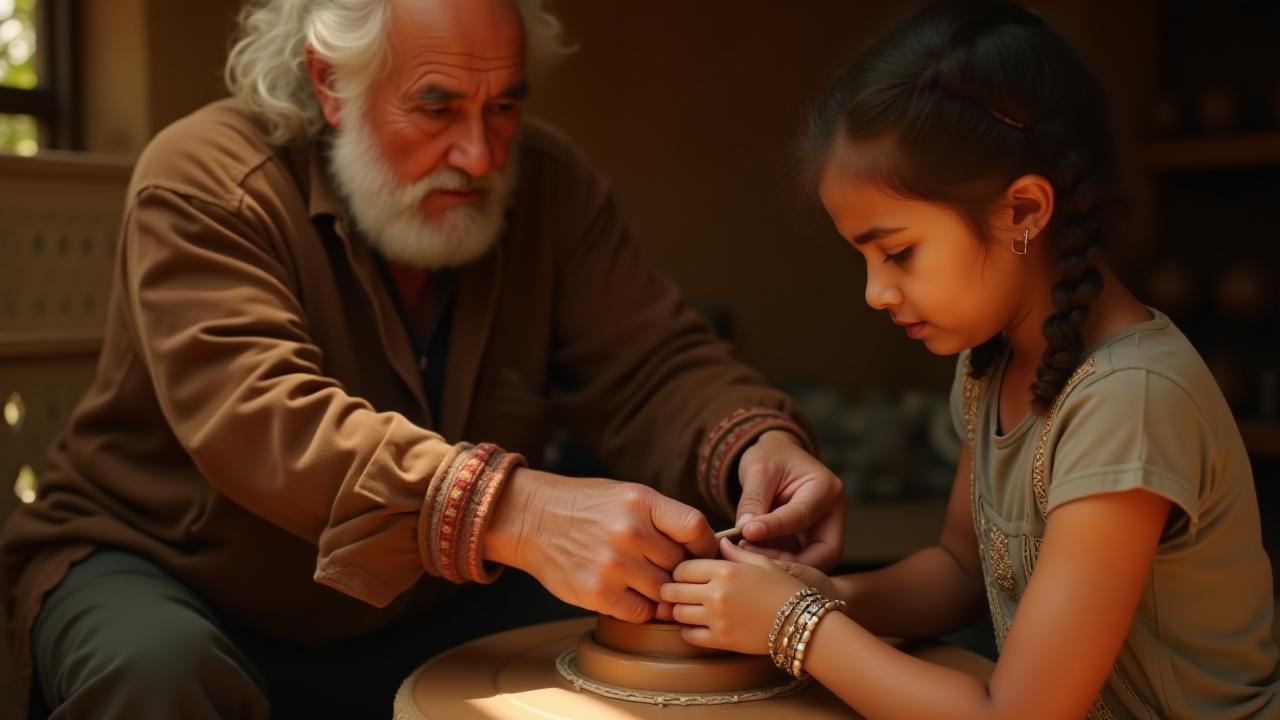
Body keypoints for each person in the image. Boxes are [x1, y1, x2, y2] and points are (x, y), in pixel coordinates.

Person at [0, 0, 847, 717]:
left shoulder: (551, 186)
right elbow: (263, 422)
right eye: (437, 108)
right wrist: (520, 511)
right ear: (331, 83)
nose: (481, 156)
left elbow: (654, 363)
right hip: (166, 571)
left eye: (505, 107)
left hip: (430, 598)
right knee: (155, 674)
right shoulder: (205, 178)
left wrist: (753, 447)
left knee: (656, 641)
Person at [661, 2, 1280, 718]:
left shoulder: (1129, 400)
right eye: (861, 257)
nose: (875, 292)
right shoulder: (994, 362)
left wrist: (795, 625)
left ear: (1022, 211)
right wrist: (818, 592)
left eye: (897, 252)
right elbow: (959, 568)